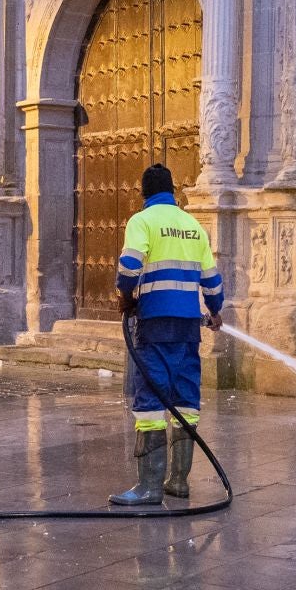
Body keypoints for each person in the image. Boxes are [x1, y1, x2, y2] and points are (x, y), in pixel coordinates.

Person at [110, 163, 224, 506]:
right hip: (189, 327)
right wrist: (215, 309)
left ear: (144, 193)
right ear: (173, 191)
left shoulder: (142, 221)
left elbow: (130, 266)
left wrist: (125, 296)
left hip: (155, 323)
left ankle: (148, 486)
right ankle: (179, 481)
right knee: (186, 400)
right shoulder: (192, 225)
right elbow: (212, 280)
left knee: (150, 401)